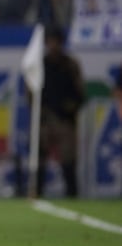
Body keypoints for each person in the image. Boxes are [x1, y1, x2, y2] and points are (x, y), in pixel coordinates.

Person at [37, 26, 85, 198]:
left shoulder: (70, 65)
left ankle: (72, 195)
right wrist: (40, 114)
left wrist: (69, 109)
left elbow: (80, 93)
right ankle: (36, 194)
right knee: (39, 159)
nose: (53, 45)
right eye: (50, 42)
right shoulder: (40, 65)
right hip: (44, 119)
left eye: (56, 41)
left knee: (68, 161)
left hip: (65, 120)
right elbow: (31, 94)